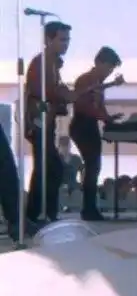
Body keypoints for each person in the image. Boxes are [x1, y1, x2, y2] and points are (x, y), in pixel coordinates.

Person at [24, 21, 76, 223]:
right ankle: (39, 214)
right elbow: (41, 91)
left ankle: (40, 214)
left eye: (68, 40)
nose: (66, 44)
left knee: (47, 168)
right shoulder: (42, 63)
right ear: (48, 39)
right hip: (38, 121)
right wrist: (62, 95)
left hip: (46, 122)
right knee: (49, 167)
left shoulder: (53, 64)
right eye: (62, 39)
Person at [69, 46, 124, 221]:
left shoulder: (98, 84)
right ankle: (88, 209)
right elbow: (84, 107)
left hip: (90, 125)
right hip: (82, 124)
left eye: (112, 69)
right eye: (108, 67)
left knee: (94, 166)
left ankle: (90, 207)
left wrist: (109, 119)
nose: (109, 72)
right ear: (99, 63)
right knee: (92, 166)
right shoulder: (86, 80)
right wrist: (104, 117)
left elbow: (99, 108)